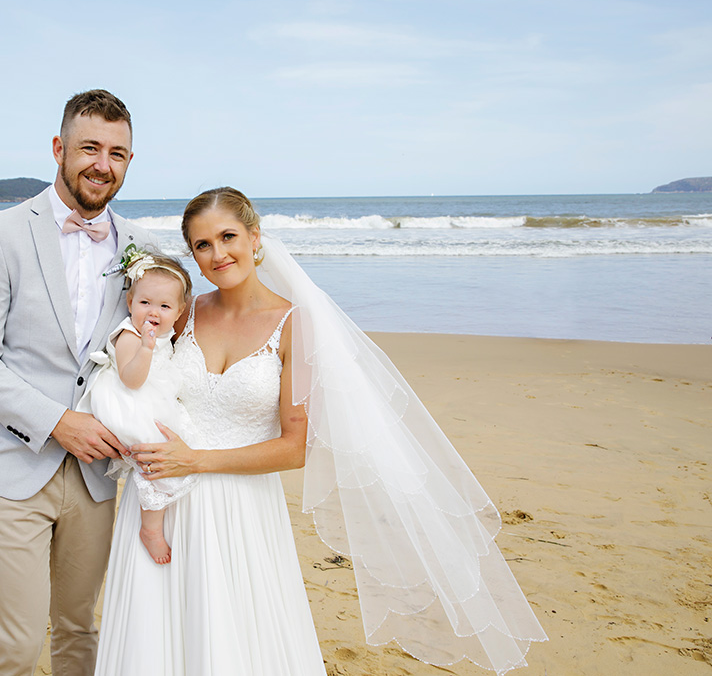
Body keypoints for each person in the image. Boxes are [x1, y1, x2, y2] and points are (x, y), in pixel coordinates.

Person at [96, 187, 548, 676]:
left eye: (228, 237)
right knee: (153, 642)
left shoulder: (295, 324)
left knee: (238, 642)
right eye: (203, 245)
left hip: (241, 507)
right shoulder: (184, 313)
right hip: (162, 498)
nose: (218, 254)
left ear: (255, 237)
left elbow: (295, 448)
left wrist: (198, 460)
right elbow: (138, 380)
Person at [0, 89, 157, 676]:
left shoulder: (142, 247)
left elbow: (163, 343)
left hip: (98, 476)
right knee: (14, 646)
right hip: (15, 464)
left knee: (79, 632)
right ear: (60, 149)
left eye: (117, 152)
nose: (102, 163)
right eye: (89, 147)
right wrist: (58, 422)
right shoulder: (1, 232)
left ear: (129, 162)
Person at [77, 250, 197, 564]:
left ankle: (160, 517)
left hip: (148, 397)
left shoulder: (161, 335)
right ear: (130, 303)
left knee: (173, 448)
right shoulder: (130, 335)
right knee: (155, 455)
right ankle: (151, 528)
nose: (153, 312)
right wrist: (145, 348)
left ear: (179, 311)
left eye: (165, 306)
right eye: (145, 303)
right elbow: (132, 379)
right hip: (127, 400)